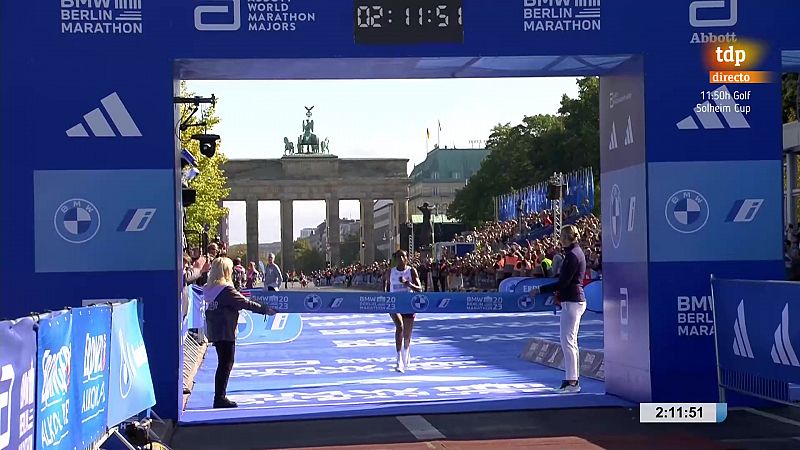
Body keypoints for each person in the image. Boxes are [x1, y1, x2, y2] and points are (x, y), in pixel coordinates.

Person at [204, 257, 276, 408]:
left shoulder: (209, 289)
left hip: (215, 329)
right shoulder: (226, 290)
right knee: (226, 363)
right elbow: (245, 303)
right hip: (226, 330)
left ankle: (219, 396)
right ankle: (220, 397)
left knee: (222, 363)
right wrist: (265, 309)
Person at [528, 225, 587, 394]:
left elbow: (563, 282)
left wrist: (540, 290)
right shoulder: (574, 253)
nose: (559, 239)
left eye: (561, 236)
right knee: (570, 342)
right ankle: (571, 379)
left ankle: (572, 382)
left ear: (567, 237)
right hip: (572, 300)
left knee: (568, 342)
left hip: (572, 300)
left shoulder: (572, 256)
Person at [385, 250, 423, 373]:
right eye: (399, 257)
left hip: (408, 304)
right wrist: (386, 301)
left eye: (404, 256)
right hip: (394, 304)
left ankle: (406, 352)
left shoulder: (411, 271)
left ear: (407, 258)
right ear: (396, 259)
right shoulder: (390, 272)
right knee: (399, 327)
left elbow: (420, 289)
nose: (401, 259)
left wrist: (408, 284)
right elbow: (385, 288)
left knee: (407, 335)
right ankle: (398, 360)